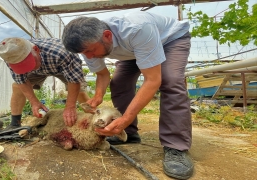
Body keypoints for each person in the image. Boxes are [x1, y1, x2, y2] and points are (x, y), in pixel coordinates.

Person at [62, 12, 193, 179]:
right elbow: (102, 75)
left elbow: (152, 80)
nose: (89, 57)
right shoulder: (90, 44)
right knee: (119, 83)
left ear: (107, 35)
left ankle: (176, 147)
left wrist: (126, 117)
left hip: (169, 40)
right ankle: (129, 134)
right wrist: (98, 96)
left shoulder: (136, 29)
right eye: (83, 53)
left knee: (170, 81)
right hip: (131, 51)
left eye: (90, 51)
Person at [0, 37, 90, 129]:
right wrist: (34, 102)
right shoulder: (10, 56)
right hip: (38, 71)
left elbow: (74, 80)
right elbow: (21, 80)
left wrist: (70, 106)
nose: (28, 68)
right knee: (17, 87)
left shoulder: (61, 53)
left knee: (80, 92)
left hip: (61, 67)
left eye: (27, 63)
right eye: (21, 66)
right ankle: (14, 124)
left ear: (36, 49)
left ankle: (93, 120)